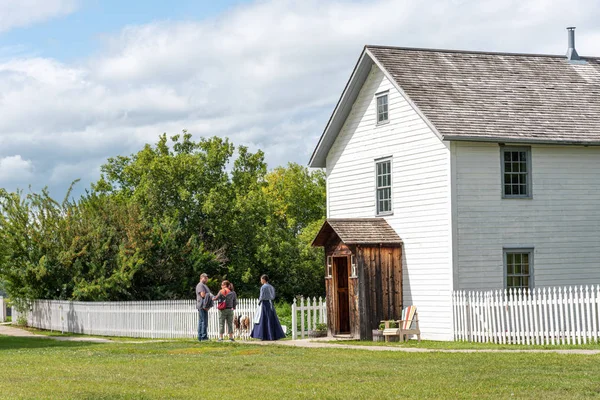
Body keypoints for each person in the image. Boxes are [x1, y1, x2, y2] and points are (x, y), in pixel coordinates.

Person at [251, 275, 286, 341]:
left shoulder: (263, 287)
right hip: (270, 304)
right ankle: (273, 335)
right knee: (271, 319)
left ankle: (264, 335)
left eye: (261, 279)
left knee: (263, 319)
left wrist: (259, 302)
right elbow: (273, 296)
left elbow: (261, 296)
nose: (260, 281)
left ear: (264, 279)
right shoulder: (271, 287)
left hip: (264, 304)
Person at [196, 273, 212, 341]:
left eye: (207, 278)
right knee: (203, 322)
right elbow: (203, 295)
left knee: (201, 321)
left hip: (204, 305)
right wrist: (210, 296)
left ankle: (200, 336)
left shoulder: (204, 285)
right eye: (205, 278)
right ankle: (203, 337)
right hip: (202, 306)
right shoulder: (200, 285)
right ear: (201, 278)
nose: (206, 279)